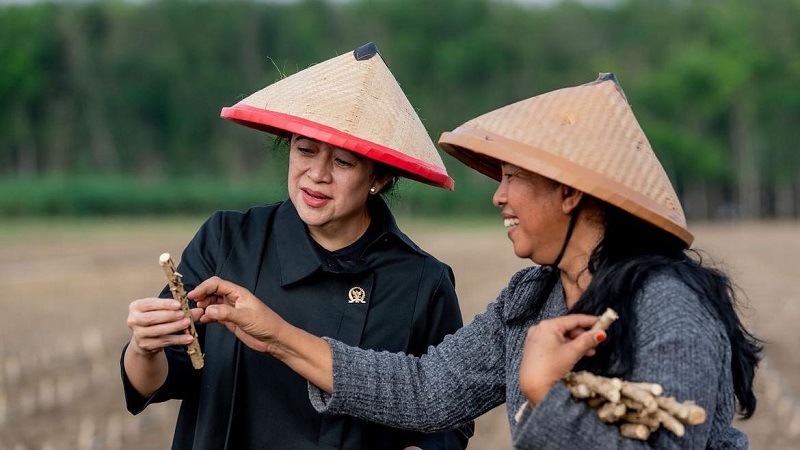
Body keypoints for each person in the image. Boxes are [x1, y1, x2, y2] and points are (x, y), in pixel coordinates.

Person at [188, 73, 763, 449]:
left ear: (569, 194)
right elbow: (426, 388)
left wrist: (544, 389)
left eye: (512, 178)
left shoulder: (668, 303)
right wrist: (276, 334)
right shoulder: (531, 300)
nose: (499, 196)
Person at [121, 42, 473, 450]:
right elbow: (163, 378)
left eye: (343, 162)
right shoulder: (228, 241)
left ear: (381, 178)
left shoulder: (420, 281)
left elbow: (448, 419)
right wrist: (144, 348)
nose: (317, 174)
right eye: (305, 150)